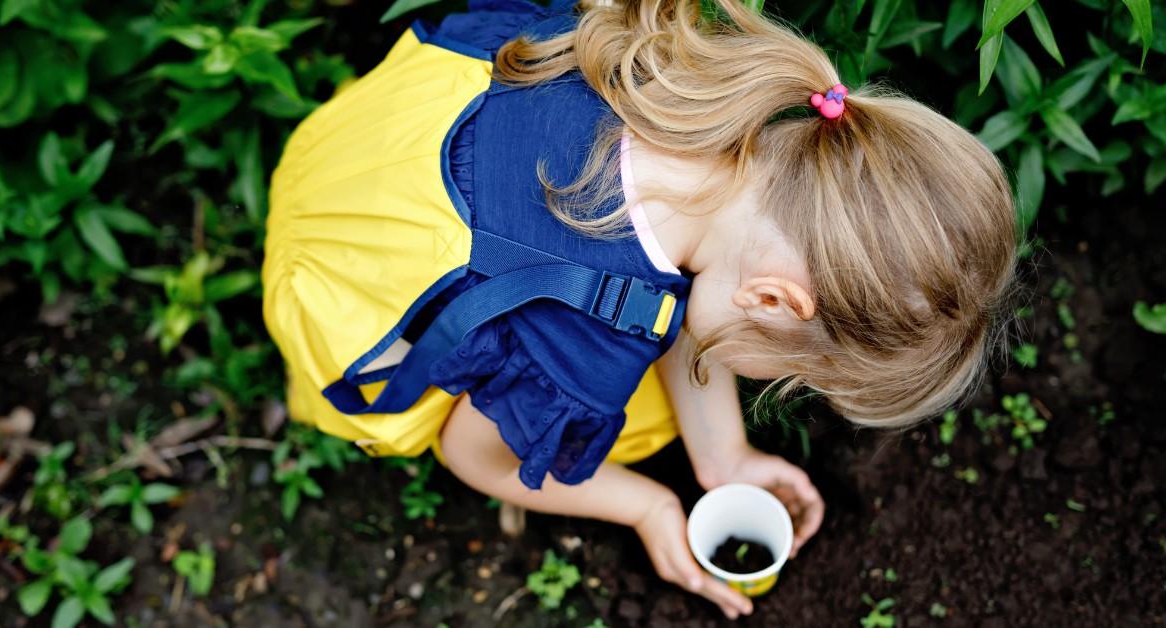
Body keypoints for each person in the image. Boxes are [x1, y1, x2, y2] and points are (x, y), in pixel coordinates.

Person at [262, 0, 1017, 619]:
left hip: (364, 149)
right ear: (773, 299)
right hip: (343, 286)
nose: (771, 382)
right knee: (626, 418)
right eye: (788, 371)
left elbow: (701, 309)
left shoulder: (674, 78)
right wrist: (649, 506)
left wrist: (723, 461)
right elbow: (474, 454)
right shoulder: (590, 343)